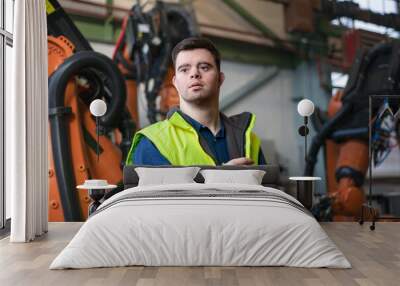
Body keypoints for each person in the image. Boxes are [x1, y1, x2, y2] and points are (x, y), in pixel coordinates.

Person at [126, 37, 266, 166]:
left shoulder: (248, 140)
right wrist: (223, 179)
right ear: (175, 82)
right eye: (184, 69)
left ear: (220, 78)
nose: (194, 74)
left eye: (204, 67)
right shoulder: (153, 142)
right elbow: (161, 194)